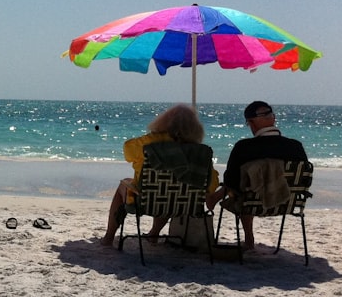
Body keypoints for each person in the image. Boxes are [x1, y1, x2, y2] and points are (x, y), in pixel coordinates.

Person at [100, 104, 218, 247]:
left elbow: (127, 151)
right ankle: (154, 233)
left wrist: (155, 136)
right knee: (173, 190)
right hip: (185, 205)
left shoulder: (150, 142)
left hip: (144, 202)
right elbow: (211, 185)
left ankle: (109, 237)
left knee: (125, 185)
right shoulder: (200, 152)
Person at [206, 101, 308, 251]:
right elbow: (305, 179)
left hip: (251, 204)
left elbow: (230, 181)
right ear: (273, 119)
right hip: (287, 202)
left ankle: (248, 237)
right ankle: (216, 198)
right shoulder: (295, 146)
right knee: (244, 186)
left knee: (242, 188)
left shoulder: (244, 147)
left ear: (251, 123)